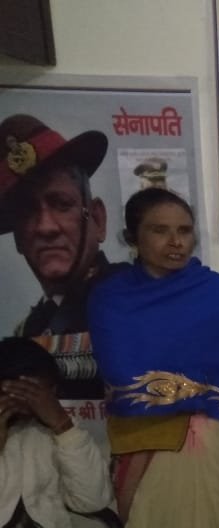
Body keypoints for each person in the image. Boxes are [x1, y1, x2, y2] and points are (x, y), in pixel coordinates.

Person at [88, 188, 219, 528]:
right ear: (133, 237)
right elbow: (121, 373)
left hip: (216, 445)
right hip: (146, 442)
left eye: (184, 230)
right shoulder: (111, 298)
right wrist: (204, 389)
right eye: (159, 230)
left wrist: (194, 392)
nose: (176, 242)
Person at [0, 114, 126, 399]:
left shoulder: (138, 300)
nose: (45, 227)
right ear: (18, 238)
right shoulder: (29, 329)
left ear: (97, 219)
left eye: (61, 204)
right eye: (28, 211)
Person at [0, 338, 116, 528]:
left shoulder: (51, 432)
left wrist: (63, 426)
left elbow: (92, 500)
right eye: (22, 393)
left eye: (42, 394)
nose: (33, 403)